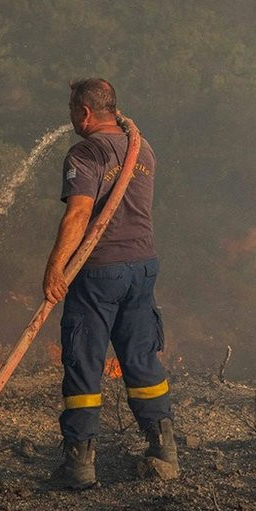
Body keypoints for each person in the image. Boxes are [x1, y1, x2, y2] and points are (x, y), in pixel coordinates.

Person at [43, 78, 177, 489]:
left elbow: (79, 215)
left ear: (84, 112)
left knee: (84, 362)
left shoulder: (85, 152)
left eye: (71, 109)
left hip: (99, 271)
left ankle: (80, 466)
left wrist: (55, 267)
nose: (69, 117)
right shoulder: (142, 148)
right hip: (142, 267)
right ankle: (164, 449)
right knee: (141, 359)